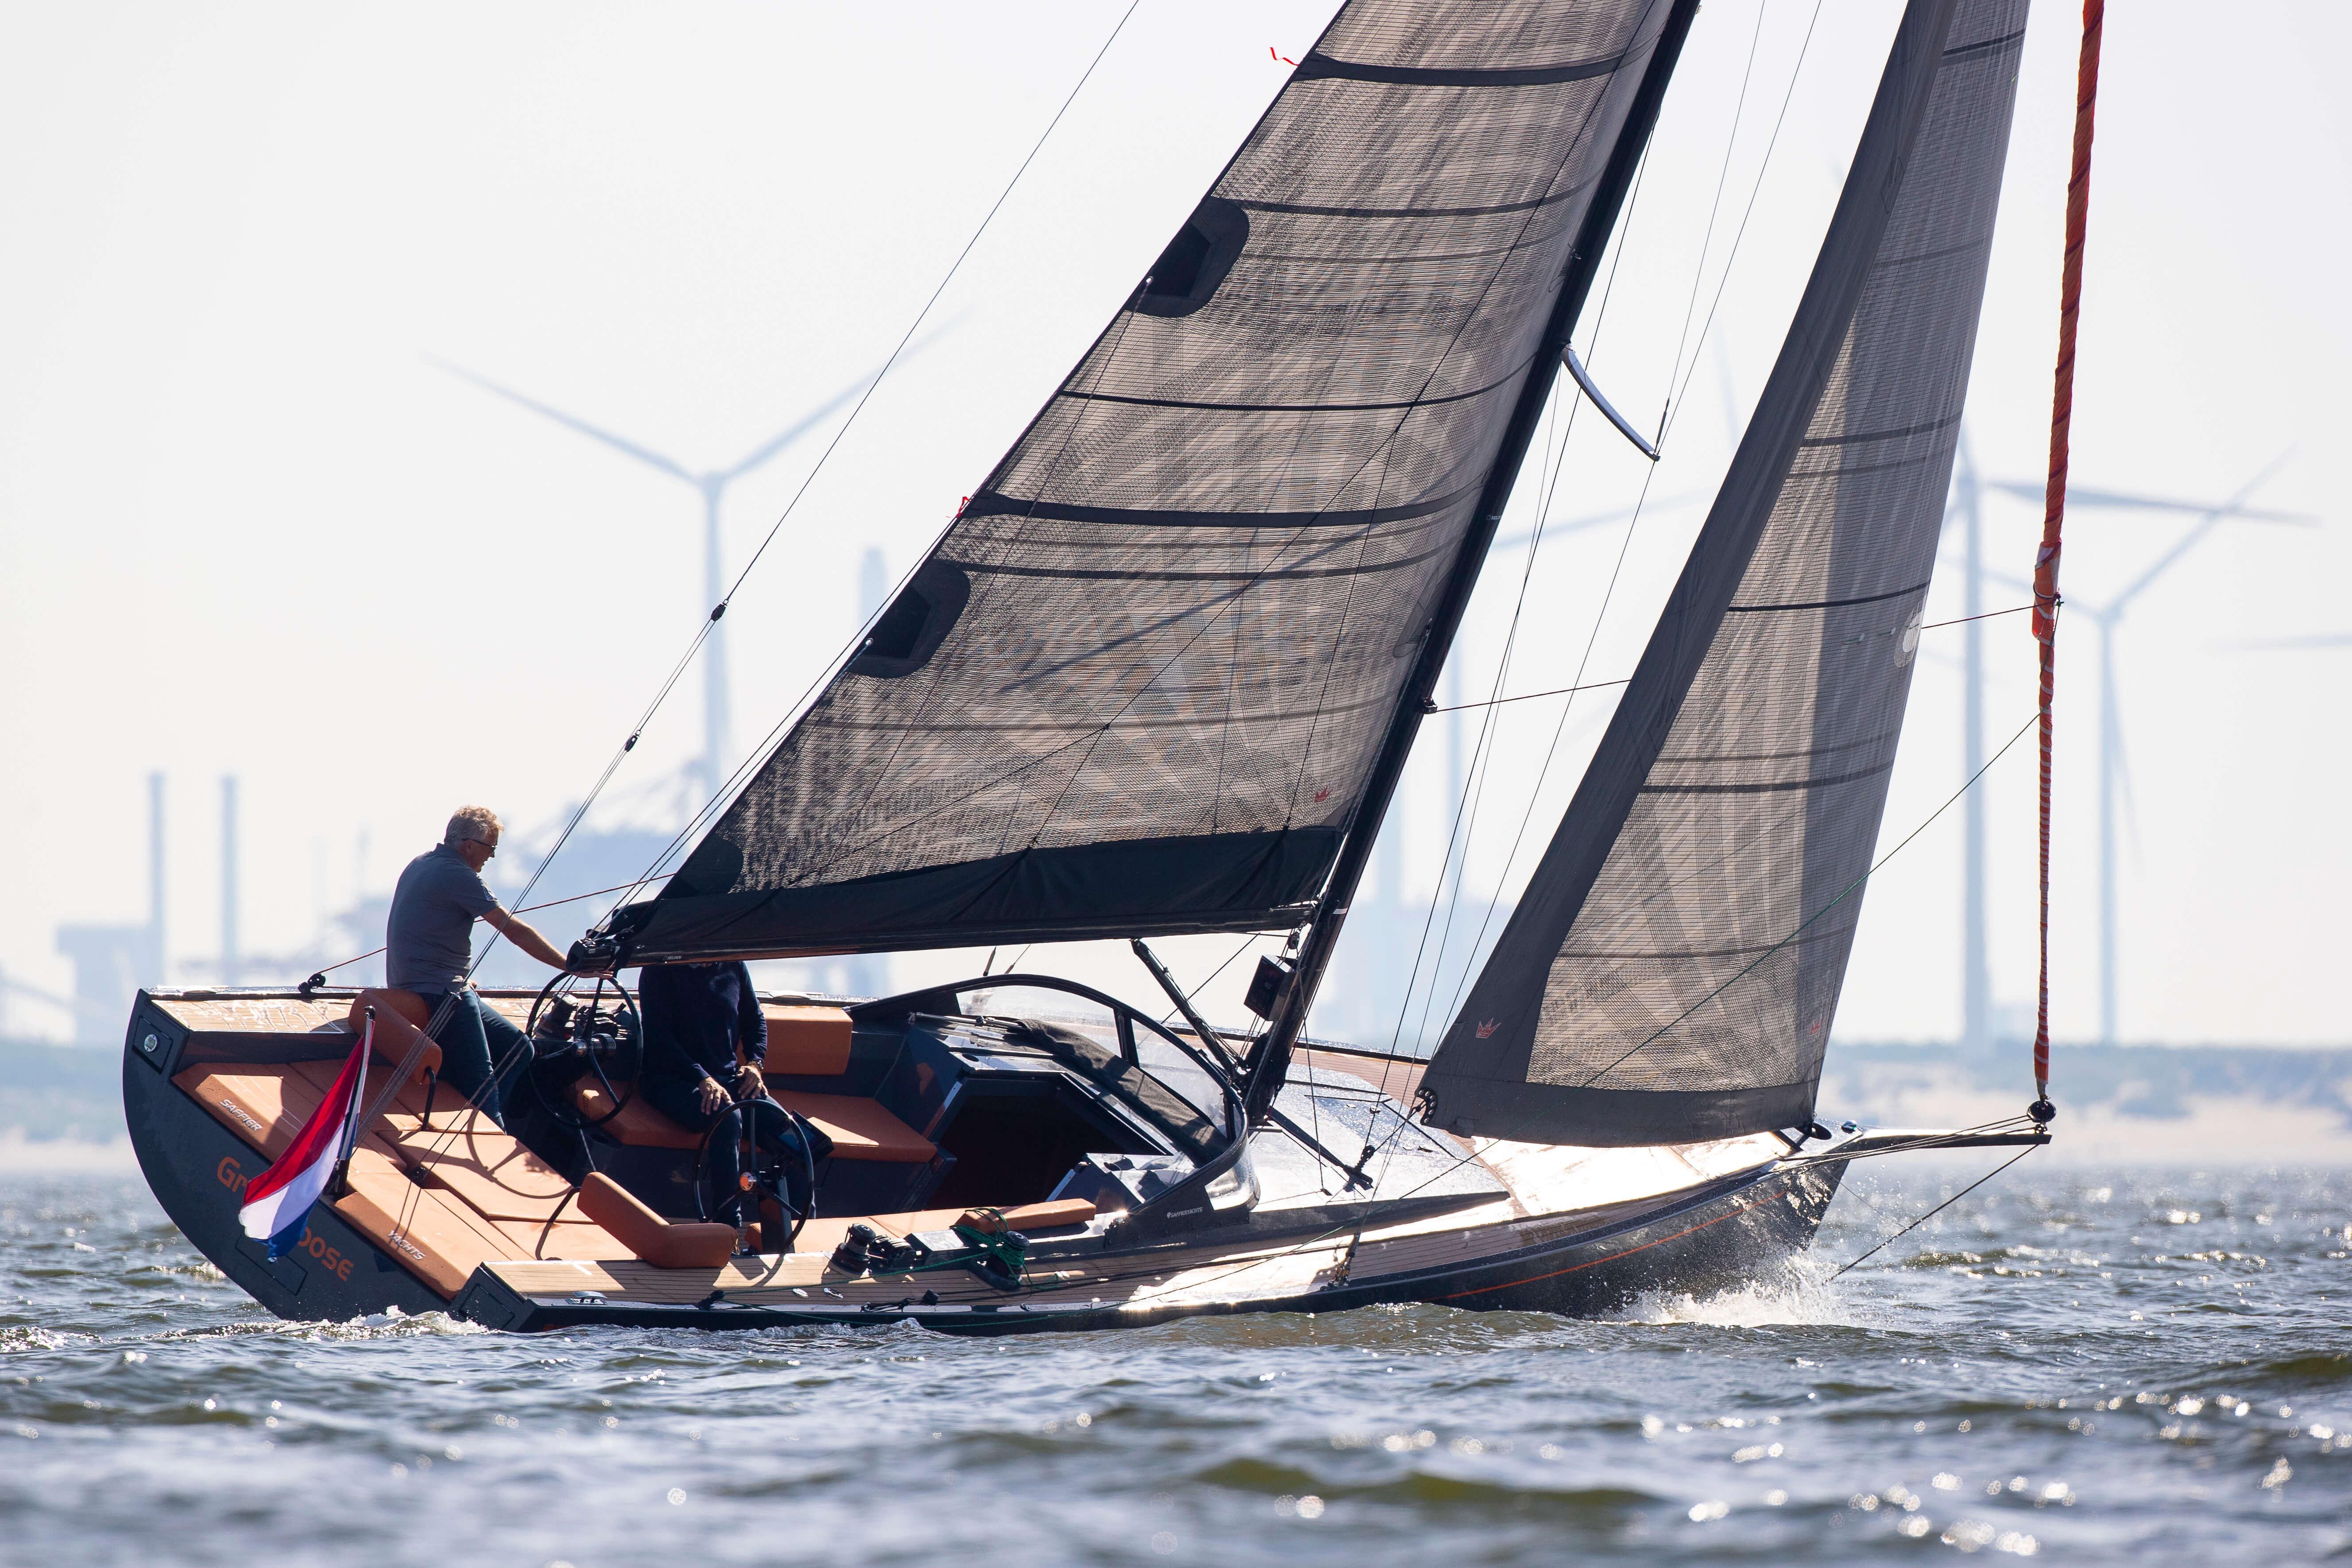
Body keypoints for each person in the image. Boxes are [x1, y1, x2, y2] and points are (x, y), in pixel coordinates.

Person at [385, 805, 578, 1127]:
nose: (491, 857)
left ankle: (485, 1117)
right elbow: (513, 930)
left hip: (428, 983)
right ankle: (491, 1125)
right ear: (470, 844)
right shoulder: (458, 873)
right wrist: (570, 966)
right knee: (483, 1079)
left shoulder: (422, 863)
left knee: (519, 1049)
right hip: (443, 992)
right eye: (491, 848)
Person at [637, 960, 828, 1247]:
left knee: (794, 1133)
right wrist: (700, 1077)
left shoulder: (733, 964)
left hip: (727, 1078)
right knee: (728, 1119)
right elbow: (657, 1038)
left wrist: (754, 1064)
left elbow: (755, 1020)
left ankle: (801, 1234)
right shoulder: (660, 970)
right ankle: (726, 1233)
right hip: (672, 1080)